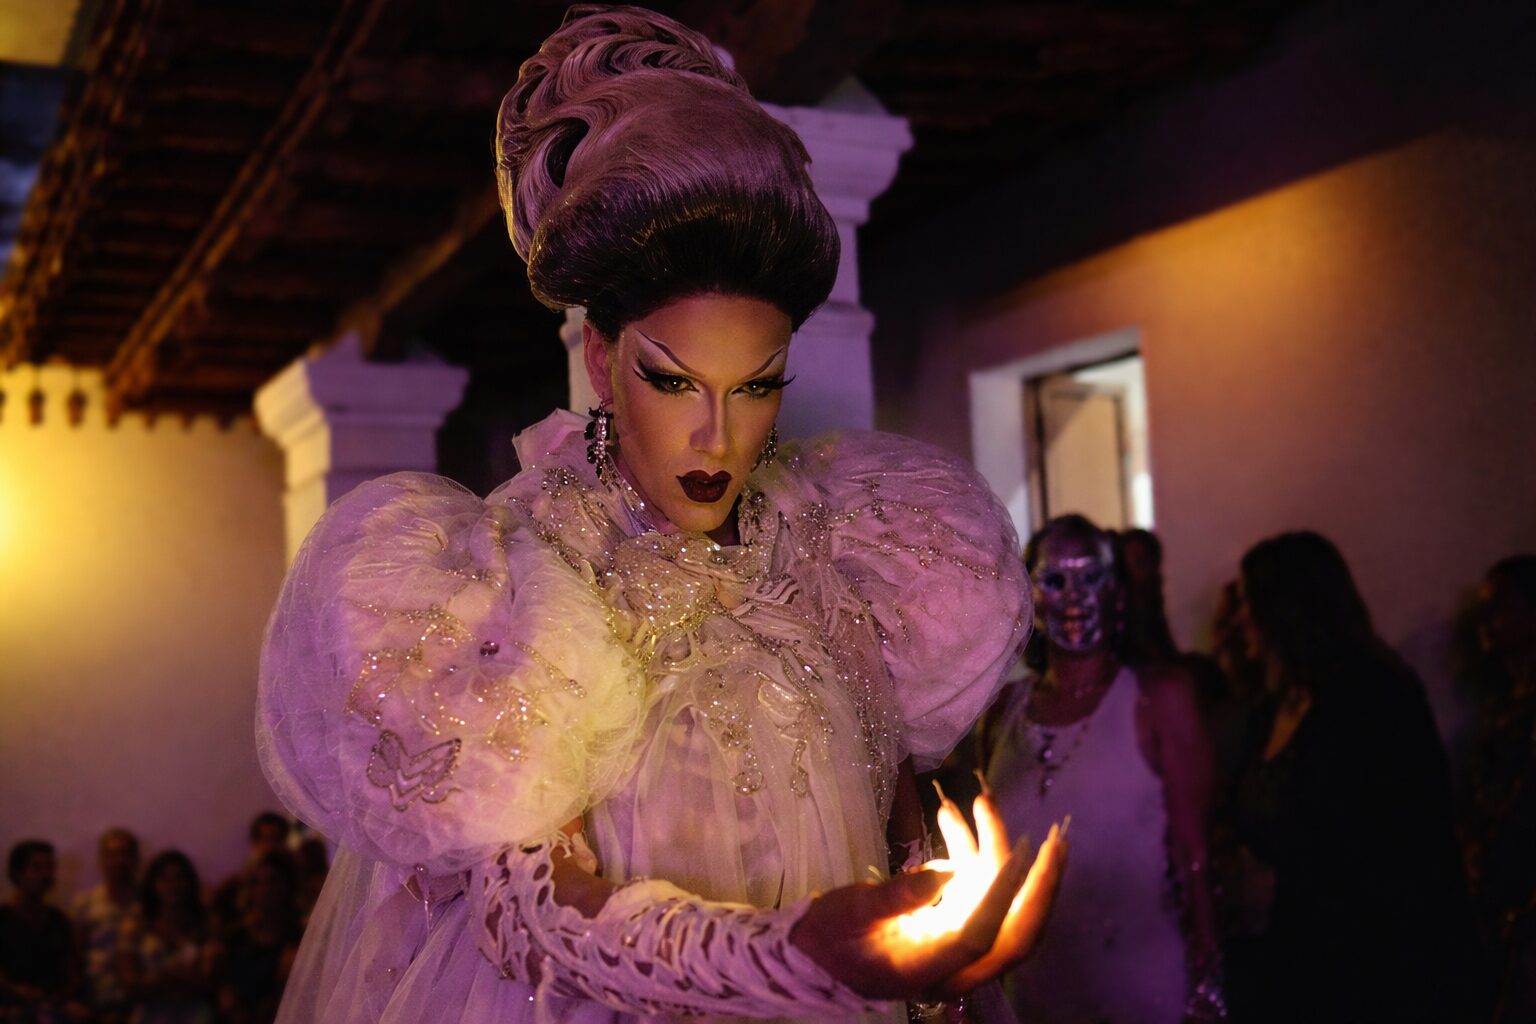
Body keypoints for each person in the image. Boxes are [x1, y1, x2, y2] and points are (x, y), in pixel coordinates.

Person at [256, 6, 1065, 1024]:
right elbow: (533, 915)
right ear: (601, 358)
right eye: (674, 382)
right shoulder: (518, 582)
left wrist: (930, 928)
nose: (718, 437)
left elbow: (897, 817)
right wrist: (792, 956)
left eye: (758, 384)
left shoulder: (841, 552)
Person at [1227, 531, 1482, 1022]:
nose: (1240, 619)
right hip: (1293, 963)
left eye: (1250, 602)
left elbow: (1401, 843)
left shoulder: (1375, 697)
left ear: (1290, 608)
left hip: (1372, 968)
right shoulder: (1272, 708)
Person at [982, 514, 1220, 1023]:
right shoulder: (1002, 711)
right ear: (1031, 595)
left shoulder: (1160, 698)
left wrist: (1208, 971)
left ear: (1117, 595)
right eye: (1055, 579)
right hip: (1033, 990)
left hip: (1141, 987)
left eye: (1092, 578)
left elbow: (1194, 849)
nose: (1074, 596)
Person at [116, 851, 215, 1024]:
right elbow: (129, 983)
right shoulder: (136, 926)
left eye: (179, 878)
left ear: (189, 883)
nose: (173, 885)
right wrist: (167, 976)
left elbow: (209, 981)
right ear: (153, 884)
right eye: (165, 879)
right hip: (150, 1014)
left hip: (194, 1014)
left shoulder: (204, 925)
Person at [208, 851, 303, 1024]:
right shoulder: (232, 935)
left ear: (287, 886)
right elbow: (217, 983)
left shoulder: (298, 937)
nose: (264, 889)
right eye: (256, 883)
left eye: (272, 881)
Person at [0, 839, 88, 1022]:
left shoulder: (58, 920)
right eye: (36, 868)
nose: (46, 874)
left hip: (52, 1005)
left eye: (50, 867)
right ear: (16, 873)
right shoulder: (4, 917)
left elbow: (71, 968)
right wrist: (18, 991)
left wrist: (60, 998)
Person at [72, 828, 141, 1024]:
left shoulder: (149, 902)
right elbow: (75, 956)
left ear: (136, 859)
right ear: (102, 860)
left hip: (143, 999)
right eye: (112, 855)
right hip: (97, 1000)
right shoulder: (85, 904)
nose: (119, 861)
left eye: (125, 854)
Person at [212, 814, 291, 929]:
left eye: (275, 839)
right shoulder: (234, 886)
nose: (270, 847)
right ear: (254, 843)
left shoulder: (294, 882)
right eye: (264, 839)